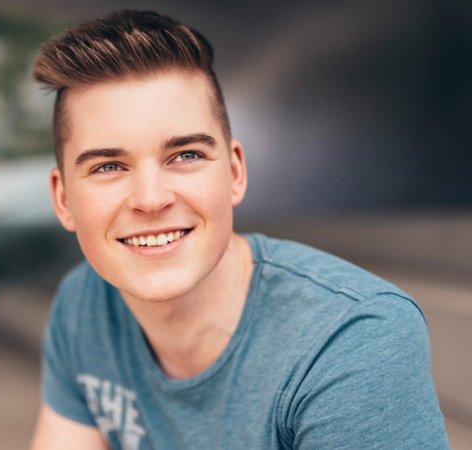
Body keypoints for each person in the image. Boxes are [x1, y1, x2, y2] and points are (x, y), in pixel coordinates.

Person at [29, 9, 449, 450]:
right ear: (63, 199)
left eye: (186, 155)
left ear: (234, 173)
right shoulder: (83, 306)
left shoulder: (354, 338)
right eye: (109, 166)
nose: (151, 199)